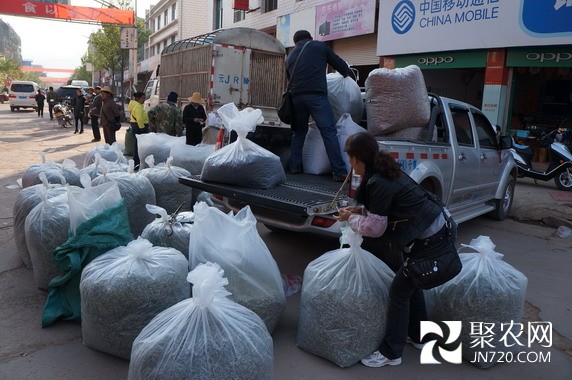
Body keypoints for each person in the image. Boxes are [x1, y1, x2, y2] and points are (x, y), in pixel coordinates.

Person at [335, 132, 457, 368]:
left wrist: (350, 221)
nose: (350, 164)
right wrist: (355, 212)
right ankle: (421, 336)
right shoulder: (383, 172)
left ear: (358, 158)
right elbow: (384, 211)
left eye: (350, 158)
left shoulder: (378, 182)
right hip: (432, 229)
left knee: (400, 291)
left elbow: (375, 228)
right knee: (412, 281)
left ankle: (391, 352)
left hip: (431, 237)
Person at [286, 30, 351, 182]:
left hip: (296, 98)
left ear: (296, 42)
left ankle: (295, 167)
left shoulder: (290, 56)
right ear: (310, 38)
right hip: (316, 95)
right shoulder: (319, 46)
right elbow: (340, 65)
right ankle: (339, 171)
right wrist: (346, 73)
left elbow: (290, 79)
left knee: (298, 132)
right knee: (328, 131)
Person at [128, 91, 150, 170]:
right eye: (142, 98)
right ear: (137, 98)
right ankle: (136, 164)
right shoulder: (137, 107)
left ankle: (136, 163)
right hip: (139, 128)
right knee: (138, 147)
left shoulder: (138, 105)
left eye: (144, 98)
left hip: (137, 127)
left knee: (137, 146)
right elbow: (139, 119)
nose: (144, 100)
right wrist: (143, 128)